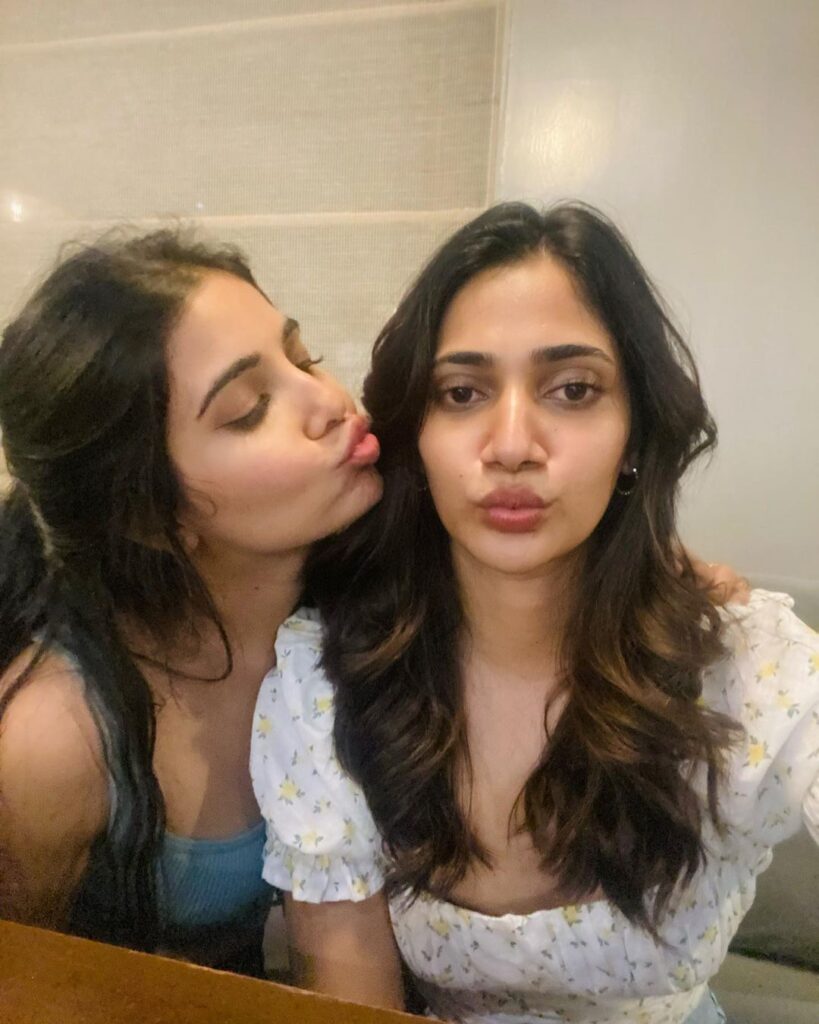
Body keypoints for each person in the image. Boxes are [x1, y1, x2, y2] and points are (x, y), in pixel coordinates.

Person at [252, 202, 819, 1022]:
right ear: (415, 435)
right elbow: (352, 997)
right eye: (461, 392)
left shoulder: (751, 669)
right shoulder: (326, 679)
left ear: (634, 432)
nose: (512, 444)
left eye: (572, 390)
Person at [0, 230, 382, 973]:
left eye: (303, 357)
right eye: (249, 409)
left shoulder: (364, 588)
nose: (329, 401)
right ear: (147, 516)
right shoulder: (55, 742)